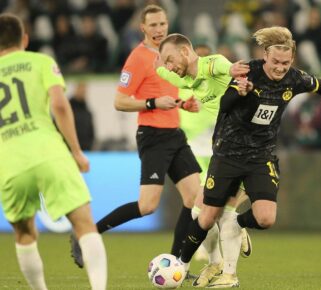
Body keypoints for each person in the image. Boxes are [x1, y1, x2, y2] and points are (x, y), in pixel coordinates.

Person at [176, 26, 321, 287]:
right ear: (265, 55)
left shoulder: (295, 78)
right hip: (228, 152)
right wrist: (239, 92)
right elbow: (225, 105)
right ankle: (181, 266)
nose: (280, 68)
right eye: (276, 62)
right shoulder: (247, 71)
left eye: (286, 63)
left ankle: (237, 227)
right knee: (207, 216)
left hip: (261, 154)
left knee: (266, 218)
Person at [69, 4, 202, 270]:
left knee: (195, 199)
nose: (159, 29)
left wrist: (182, 103)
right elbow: (119, 101)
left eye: (162, 24)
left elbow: (169, 95)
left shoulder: (171, 55)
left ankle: (175, 264)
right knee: (147, 206)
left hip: (175, 134)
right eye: (153, 25)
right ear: (142, 28)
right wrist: (152, 103)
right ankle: (86, 234)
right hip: (152, 136)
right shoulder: (138, 58)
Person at [0, 13, 107, 290]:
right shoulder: (41, 62)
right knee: (84, 224)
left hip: (10, 160)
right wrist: (76, 150)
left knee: (24, 234)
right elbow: (60, 105)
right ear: (24, 38)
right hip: (47, 150)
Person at [157, 33, 251, 287]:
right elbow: (157, 70)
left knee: (207, 211)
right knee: (203, 212)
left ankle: (224, 259)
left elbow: (222, 65)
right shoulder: (176, 78)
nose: (169, 66)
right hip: (204, 152)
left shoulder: (212, 65)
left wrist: (233, 69)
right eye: (166, 61)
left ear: (186, 53)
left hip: (232, 151)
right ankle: (217, 261)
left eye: (171, 60)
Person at [69, 82, 95, 150]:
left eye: (84, 89)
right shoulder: (67, 110)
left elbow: (91, 133)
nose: (83, 91)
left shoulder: (88, 112)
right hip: (69, 151)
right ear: (75, 89)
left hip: (86, 150)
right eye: (80, 88)